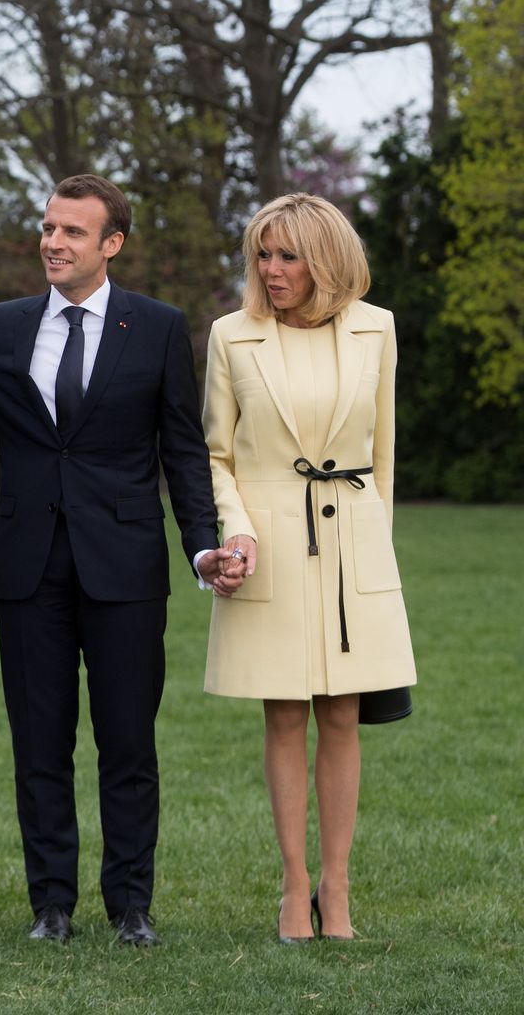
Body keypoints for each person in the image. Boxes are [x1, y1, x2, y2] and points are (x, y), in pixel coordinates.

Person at [0, 174, 241, 946]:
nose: (53, 243)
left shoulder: (158, 327)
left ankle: (132, 906)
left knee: (128, 744)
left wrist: (201, 544)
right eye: (48, 227)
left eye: (71, 232)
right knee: (40, 744)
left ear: (111, 244)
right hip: (27, 568)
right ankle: (50, 906)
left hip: (127, 568)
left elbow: (184, 452)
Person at [200, 193, 416, 943]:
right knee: (286, 713)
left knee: (345, 715)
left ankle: (338, 886)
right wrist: (238, 528)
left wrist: (373, 548)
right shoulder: (233, 336)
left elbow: (383, 454)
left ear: (324, 258)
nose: (272, 269)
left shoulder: (377, 329)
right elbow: (216, 456)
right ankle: (295, 887)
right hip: (271, 549)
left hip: (354, 547)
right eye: (263, 253)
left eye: (287, 254)